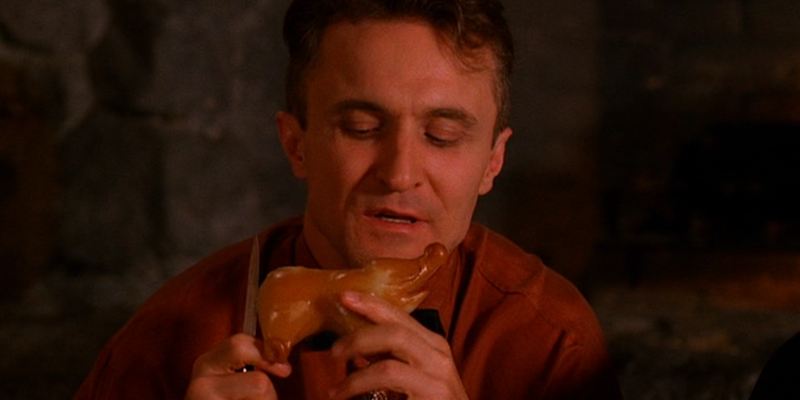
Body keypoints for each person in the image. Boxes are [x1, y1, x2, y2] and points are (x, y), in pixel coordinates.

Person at [74, 0, 623, 399]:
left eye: (442, 136)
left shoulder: (551, 341)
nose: (400, 174)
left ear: (493, 162)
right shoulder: (171, 332)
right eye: (361, 128)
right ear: (297, 144)